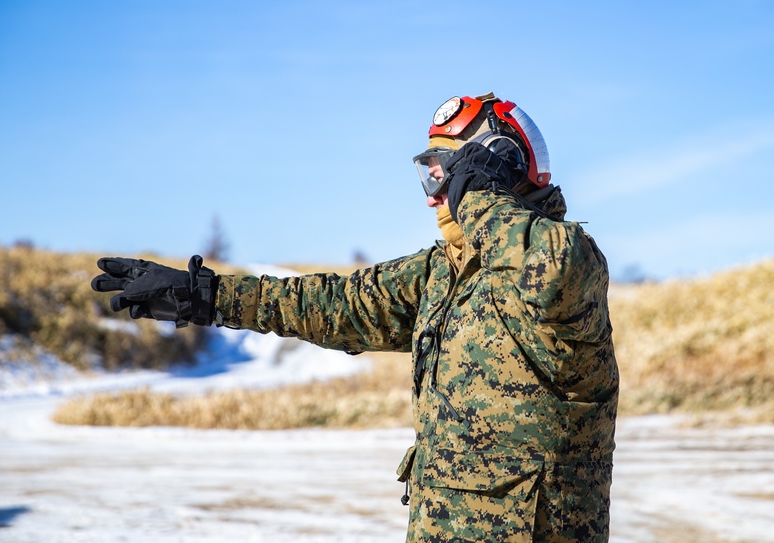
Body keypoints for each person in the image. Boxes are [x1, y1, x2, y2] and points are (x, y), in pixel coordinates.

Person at [92, 92, 620, 542]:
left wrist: (482, 191)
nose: (436, 197)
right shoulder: (443, 271)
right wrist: (204, 295)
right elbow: (333, 303)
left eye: (448, 176)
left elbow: (543, 269)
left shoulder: (569, 260)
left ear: (496, 173)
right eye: (430, 178)